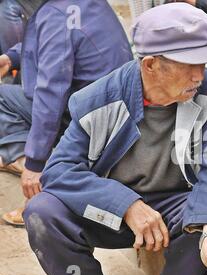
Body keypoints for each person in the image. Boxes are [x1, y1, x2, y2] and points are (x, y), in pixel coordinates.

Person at [23, 3, 207, 275]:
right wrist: (126, 205)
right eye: (190, 65)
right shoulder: (98, 99)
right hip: (112, 211)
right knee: (42, 212)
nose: (200, 75)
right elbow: (58, 171)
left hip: (177, 206)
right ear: (150, 65)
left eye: (204, 63)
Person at [0, 0, 133, 225]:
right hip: (114, 109)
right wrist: (12, 57)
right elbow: (55, 38)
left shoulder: (55, 13)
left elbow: (51, 94)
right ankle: (29, 161)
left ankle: (45, 183)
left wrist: (35, 163)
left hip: (89, 118)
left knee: (5, 98)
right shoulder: (77, 5)